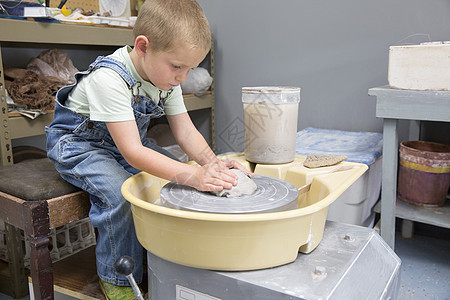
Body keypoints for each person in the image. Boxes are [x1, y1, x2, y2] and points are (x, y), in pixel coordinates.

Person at [46, 0, 252, 298]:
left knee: (173, 180)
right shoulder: (110, 79)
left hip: (125, 144)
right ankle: (117, 279)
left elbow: (185, 131)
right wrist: (191, 175)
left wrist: (211, 164)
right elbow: (133, 152)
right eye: (177, 66)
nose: (182, 77)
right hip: (79, 146)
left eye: (190, 68)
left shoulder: (166, 80)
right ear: (142, 46)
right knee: (120, 193)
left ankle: (154, 254)